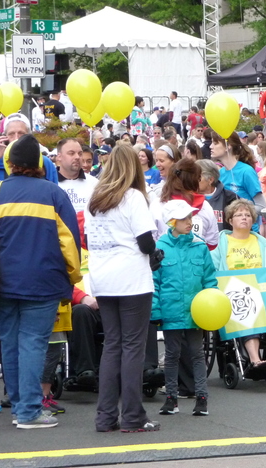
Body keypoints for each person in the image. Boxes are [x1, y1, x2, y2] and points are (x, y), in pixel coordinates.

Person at [0, 134, 81, 429]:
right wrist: (72, 278)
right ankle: (28, 411)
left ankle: (19, 407)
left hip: (1, 284)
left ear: (10, 163)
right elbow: (70, 244)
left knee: (11, 345)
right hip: (43, 283)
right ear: (40, 164)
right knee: (32, 344)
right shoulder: (53, 193)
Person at [85, 143, 162, 433]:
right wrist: (154, 252)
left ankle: (105, 416)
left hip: (103, 278)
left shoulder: (95, 197)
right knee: (133, 347)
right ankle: (132, 415)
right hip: (131, 277)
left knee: (112, 346)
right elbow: (145, 242)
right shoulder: (132, 197)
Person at [211, 200, 266, 376]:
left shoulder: (263, 244)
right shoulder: (222, 244)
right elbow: (212, 271)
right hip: (236, 296)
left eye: (248, 215)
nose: (244, 218)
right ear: (230, 219)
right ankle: (255, 360)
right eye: (239, 215)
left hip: (264, 294)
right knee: (247, 312)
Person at [153, 200, 216, 416]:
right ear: (172, 222)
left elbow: (210, 280)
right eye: (183, 219)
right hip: (170, 311)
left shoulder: (200, 246)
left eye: (190, 217)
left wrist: (212, 309)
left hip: (197, 311)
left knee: (197, 354)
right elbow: (154, 281)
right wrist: (156, 311)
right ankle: (171, 398)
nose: (189, 222)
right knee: (172, 354)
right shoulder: (160, 246)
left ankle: (202, 398)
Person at [211, 131, 266, 232]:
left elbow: (262, 206)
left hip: (248, 233)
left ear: (228, 146)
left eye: (215, 143)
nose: (210, 146)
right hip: (227, 233)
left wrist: (241, 214)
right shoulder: (220, 173)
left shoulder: (246, 171)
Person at [0, 113, 58, 189]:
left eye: (21, 133)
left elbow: (54, 193)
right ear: (4, 137)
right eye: (11, 134)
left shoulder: (44, 163)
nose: (16, 138)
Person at [159, 158, 219, 248]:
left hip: (166, 259)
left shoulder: (157, 205)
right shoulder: (205, 207)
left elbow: (151, 239)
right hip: (197, 259)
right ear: (195, 181)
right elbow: (212, 243)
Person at [56, 138, 98, 213]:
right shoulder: (49, 183)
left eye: (80, 154)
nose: (77, 157)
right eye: (71, 153)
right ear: (59, 156)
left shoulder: (95, 184)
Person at [197, 159, 237, 231]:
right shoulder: (188, 198)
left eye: (198, 177)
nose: (193, 180)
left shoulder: (230, 198)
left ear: (210, 180)